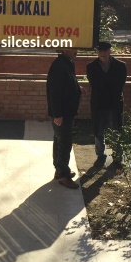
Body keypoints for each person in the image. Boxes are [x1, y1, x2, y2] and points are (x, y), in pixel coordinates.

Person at [86, 41, 127, 167]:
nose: (102, 54)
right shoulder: (91, 66)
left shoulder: (120, 66)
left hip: (114, 104)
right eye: (100, 51)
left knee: (116, 131)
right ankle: (100, 156)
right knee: (98, 131)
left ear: (110, 51)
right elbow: (94, 85)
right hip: (98, 104)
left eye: (105, 51)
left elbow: (120, 85)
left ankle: (118, 157)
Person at [46, 46, 82, 189]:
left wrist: (78, 89)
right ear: (64, 50)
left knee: (59, 140)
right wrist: (58, 114)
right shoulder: (59, 66)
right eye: (73, 49)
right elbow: (54, 92)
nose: (76, 51)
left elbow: (68, 83)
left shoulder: (68, 63)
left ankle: (59, 169)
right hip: (62, 113)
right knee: (65, 143)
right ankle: (63, 175)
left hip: (67, 112)